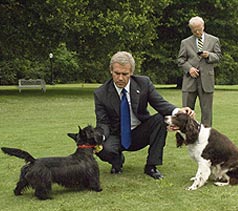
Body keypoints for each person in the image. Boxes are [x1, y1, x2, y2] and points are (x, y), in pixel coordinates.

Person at [94, 51, 195, 179]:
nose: (120, 78)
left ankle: (151, 166)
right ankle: (116, 160)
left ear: (131, 72)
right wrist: (100, 138)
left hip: (140, 132)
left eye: (125, 74)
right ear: (111, 71)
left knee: (160, 119)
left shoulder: (143, 83)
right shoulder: (100, 93)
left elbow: (160, 104)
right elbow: (103, 122)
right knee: (102, 149)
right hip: (116, 135)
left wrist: (178, 112)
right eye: (116, 73)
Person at [177, 16, 222, 127]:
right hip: (189, 81)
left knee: (207, 113)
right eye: (194, 30)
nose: (197, 32)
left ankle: (206, 136)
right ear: (191, 29)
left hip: (206, 82)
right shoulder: (185, 42)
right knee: (186, 112)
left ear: (203, 26)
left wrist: (209, 55)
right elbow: (180, 60)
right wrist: (189, 69)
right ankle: (186, 134)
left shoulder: (214, 40)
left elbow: (218, 57)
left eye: (199, 29)